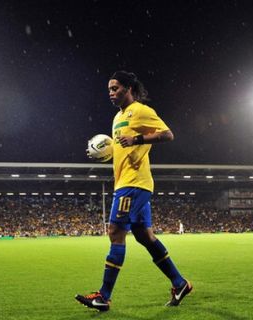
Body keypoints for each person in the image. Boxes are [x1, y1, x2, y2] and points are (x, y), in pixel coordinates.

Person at [76, 71, 192, 312]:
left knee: (115, 232)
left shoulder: (140, 110)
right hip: (127, 183)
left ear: (128, 88)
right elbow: (122, 147)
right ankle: (180, 283)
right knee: (144, 237)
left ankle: (104, 297)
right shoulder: (117, 117)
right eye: (109, 89)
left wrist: (137, 139)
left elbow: (168, 134)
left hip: (134, 184)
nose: (111, 92)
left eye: (115, 88)